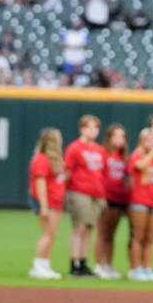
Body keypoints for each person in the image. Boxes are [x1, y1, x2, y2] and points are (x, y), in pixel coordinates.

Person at [63, 115, 107, 277]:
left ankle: (83, 262)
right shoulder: (75, 148)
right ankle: (74, 264)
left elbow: (102, 173)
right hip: (80, 192)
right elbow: (67, 171)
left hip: (97, 193)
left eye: (95, 128)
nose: (93, 131)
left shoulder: (98, 149)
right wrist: (67, 193)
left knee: (89, 229)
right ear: (82, 129)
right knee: (79, 228)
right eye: (89, 127)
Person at [28, 128, 67, 279]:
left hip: (55, 201)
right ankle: (38, 266)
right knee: (48, 234)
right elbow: (40, 184)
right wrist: (43, 206)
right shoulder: (41, 159)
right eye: (58, 139)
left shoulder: (56, 159)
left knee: (52, 234)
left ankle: (45, 265)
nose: (60, 141)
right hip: (47, 202)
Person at [127, 128, 153, 281]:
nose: (152, 143)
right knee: (138, 236)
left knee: (150, 237)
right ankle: (135, 268)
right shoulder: (137, 156)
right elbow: (141, 166)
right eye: (148, 140)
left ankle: (147, 268)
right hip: (140, 202)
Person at [94, 124, 129, 280]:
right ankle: (98, 265)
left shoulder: (122, 156)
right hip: (105, 197)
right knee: (102, 232)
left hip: (118, 198)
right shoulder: (103, 153)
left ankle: (108, 265)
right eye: (116, 136)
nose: (120, 139)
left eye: (122, 136)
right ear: (109, 138)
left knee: (111, 234)